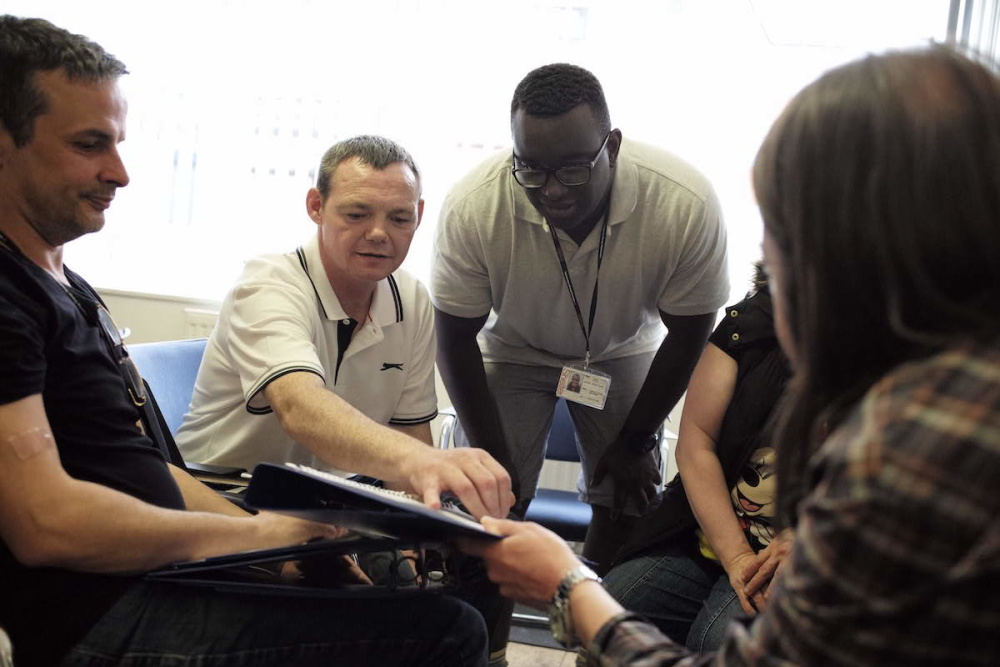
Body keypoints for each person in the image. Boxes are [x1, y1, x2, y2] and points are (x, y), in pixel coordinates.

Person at [462, 45, 1000, 665]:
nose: (768, 267)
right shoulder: (951, 391)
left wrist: (570, 586)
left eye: (781, 235)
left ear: (849, 251)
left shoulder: (913, 447)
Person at [0, 16, 487, 667]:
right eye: (90, 144)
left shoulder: (68, 285)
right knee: (445, 631)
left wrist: (274, 546)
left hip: (163, 563)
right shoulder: (10, 298)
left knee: (402, 594)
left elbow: (148, 476)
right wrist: (253, 535)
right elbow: (42, 524)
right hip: (95, 609)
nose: (120, 172)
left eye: (118, 143)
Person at [432, 63, 730, 570]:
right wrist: (491, 455)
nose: (551, 190)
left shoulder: (683, 202)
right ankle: (486, 644)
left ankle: (594, 631)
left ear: (611, 146)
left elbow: (692, 330)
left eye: (573, 169)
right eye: (532, 170)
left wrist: (636, 441)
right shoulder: (475, 206)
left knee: (627, 492)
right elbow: (455, 338)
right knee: (487, 494)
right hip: (513, 347)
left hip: (621, 348)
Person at [176, 135, 512, 522]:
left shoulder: (413, 299)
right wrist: (425, 462)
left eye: (399, 218)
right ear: (316, 207)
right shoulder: (267, 285)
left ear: (419, 214)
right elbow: (300, 408)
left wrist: (418, 526)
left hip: (330, 502)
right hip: (224, 495)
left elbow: (410, 434)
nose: (378, 233)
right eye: (357, 214)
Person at [602, 263, 791, 651]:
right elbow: (697, 441)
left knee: (718, 640)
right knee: (613, 610)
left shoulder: (897, 348)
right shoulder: (751, 322)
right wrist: (736, 556)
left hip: (794, 554)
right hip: (711, 537)